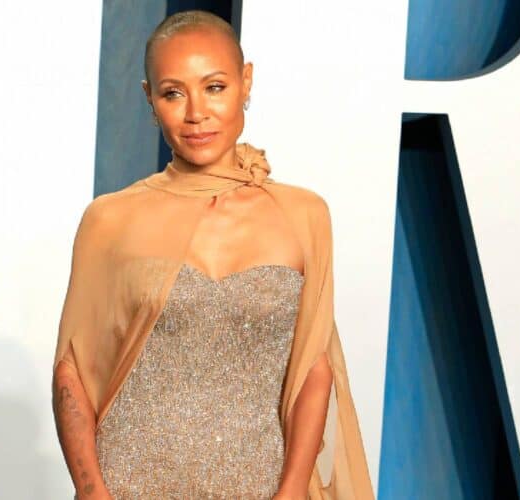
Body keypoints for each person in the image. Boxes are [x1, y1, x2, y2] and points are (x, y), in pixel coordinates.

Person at [52, 10, 374, 500]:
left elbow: (313, 367)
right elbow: (72, 371)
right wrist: (93, 491)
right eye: (173, 93)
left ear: (247, 82)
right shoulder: (109, 219)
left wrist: (291, 491)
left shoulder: (303, 214)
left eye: (215, 87)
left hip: (260, 487)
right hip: (130, 483)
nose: (196, 113)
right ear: (150, 98)